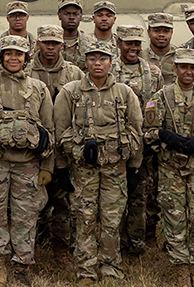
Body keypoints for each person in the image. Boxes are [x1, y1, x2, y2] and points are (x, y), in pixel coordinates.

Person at [0, 35, 56, 285]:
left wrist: (47, 166)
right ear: (1, 57)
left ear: (26, 58)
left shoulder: (39, 88)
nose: (13, 58)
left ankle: (22, 265)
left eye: (18, 54)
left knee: (26, 216)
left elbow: (49, 130)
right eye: (8, 54)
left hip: (28, 165)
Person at [52, 41, 143, 284]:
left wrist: (134, 167)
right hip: (84, 169)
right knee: (85, 218)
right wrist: (68, 162)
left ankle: (111, 267)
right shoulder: (71, 92)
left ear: (111, 62)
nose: (97, 63)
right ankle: (86, 270)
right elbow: (60, 131)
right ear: (86, 62)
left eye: (103, 59)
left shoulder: (124, 92)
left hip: (116, 169)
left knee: (112, 219)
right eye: (92, 59)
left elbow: (136, 130)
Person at [142, 48, 194, 287]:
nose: (188, 71)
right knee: (175, 218)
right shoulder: (161, 98)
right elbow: (147, 134)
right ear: (175, 68)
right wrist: (165, 136)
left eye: (193, 67)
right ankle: (182, 271)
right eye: (184, 67)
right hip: (171, 169)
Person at [29, 25, 86, 257]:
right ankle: (35, 245)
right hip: (34, 149)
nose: (50, 47)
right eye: (46, 43)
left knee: (64, 199)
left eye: (55, 43)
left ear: (62, 45)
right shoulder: (26, 71)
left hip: (65, 146)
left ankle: (62, 248)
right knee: (33, 199)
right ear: (38, 44)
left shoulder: (74, 73)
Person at [114, 24, 164, 255]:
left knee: (140, 197)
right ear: (118, 43)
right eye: (128, 43)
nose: (133, 48)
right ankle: (115, 243)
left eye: (137, 43)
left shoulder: (152, 73)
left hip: (142, 144)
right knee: (114, 198)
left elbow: (158, 107)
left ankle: (137, 243)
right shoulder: (109, 69)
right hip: (114, 143)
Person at [145, 13, 179, 85]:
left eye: (166, 31)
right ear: (148, 32)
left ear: (171, 33)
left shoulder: (179, 57)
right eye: (156, 31)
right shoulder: (141, 57)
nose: (161, 34)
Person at [57, 0, 87, 69]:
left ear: (81, 16)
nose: (71, 17)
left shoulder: (89, 43)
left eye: (75, 14)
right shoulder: (50, 43)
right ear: (59, 16)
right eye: (67, 14)